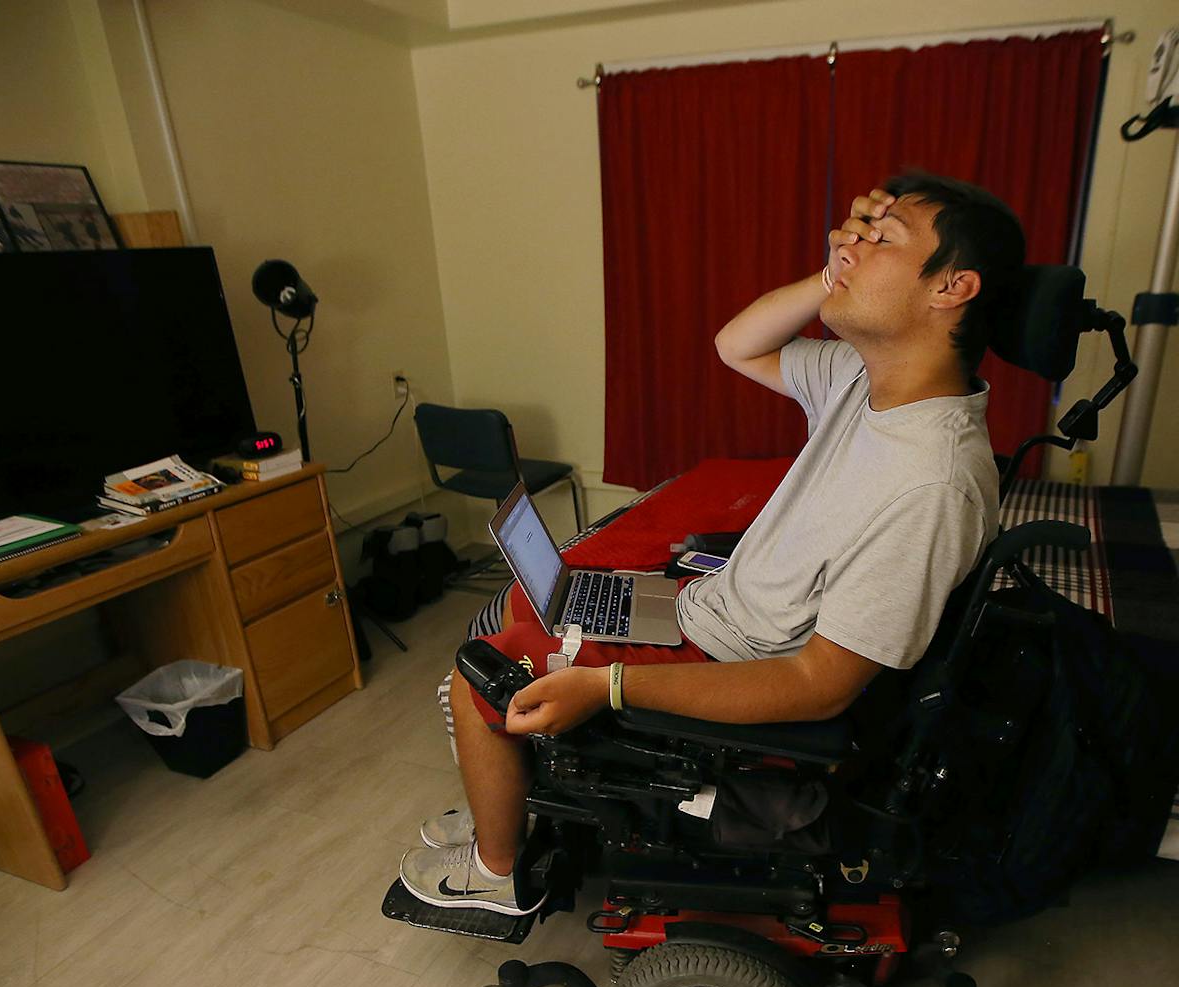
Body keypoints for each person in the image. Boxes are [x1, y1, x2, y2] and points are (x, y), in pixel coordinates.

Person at [399, 171, 1025, 916]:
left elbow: (818, 683)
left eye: (881, 239)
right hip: (708, 609)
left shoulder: (933, 480)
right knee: (528, 604)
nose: (850, 244)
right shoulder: (868, 380)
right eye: (855, 236)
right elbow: (738, 344)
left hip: (728, 657)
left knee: (481, 677)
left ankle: (499, 871)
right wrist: (838, 271)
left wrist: (607, 686)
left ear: (951, 288)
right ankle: (507, 802)